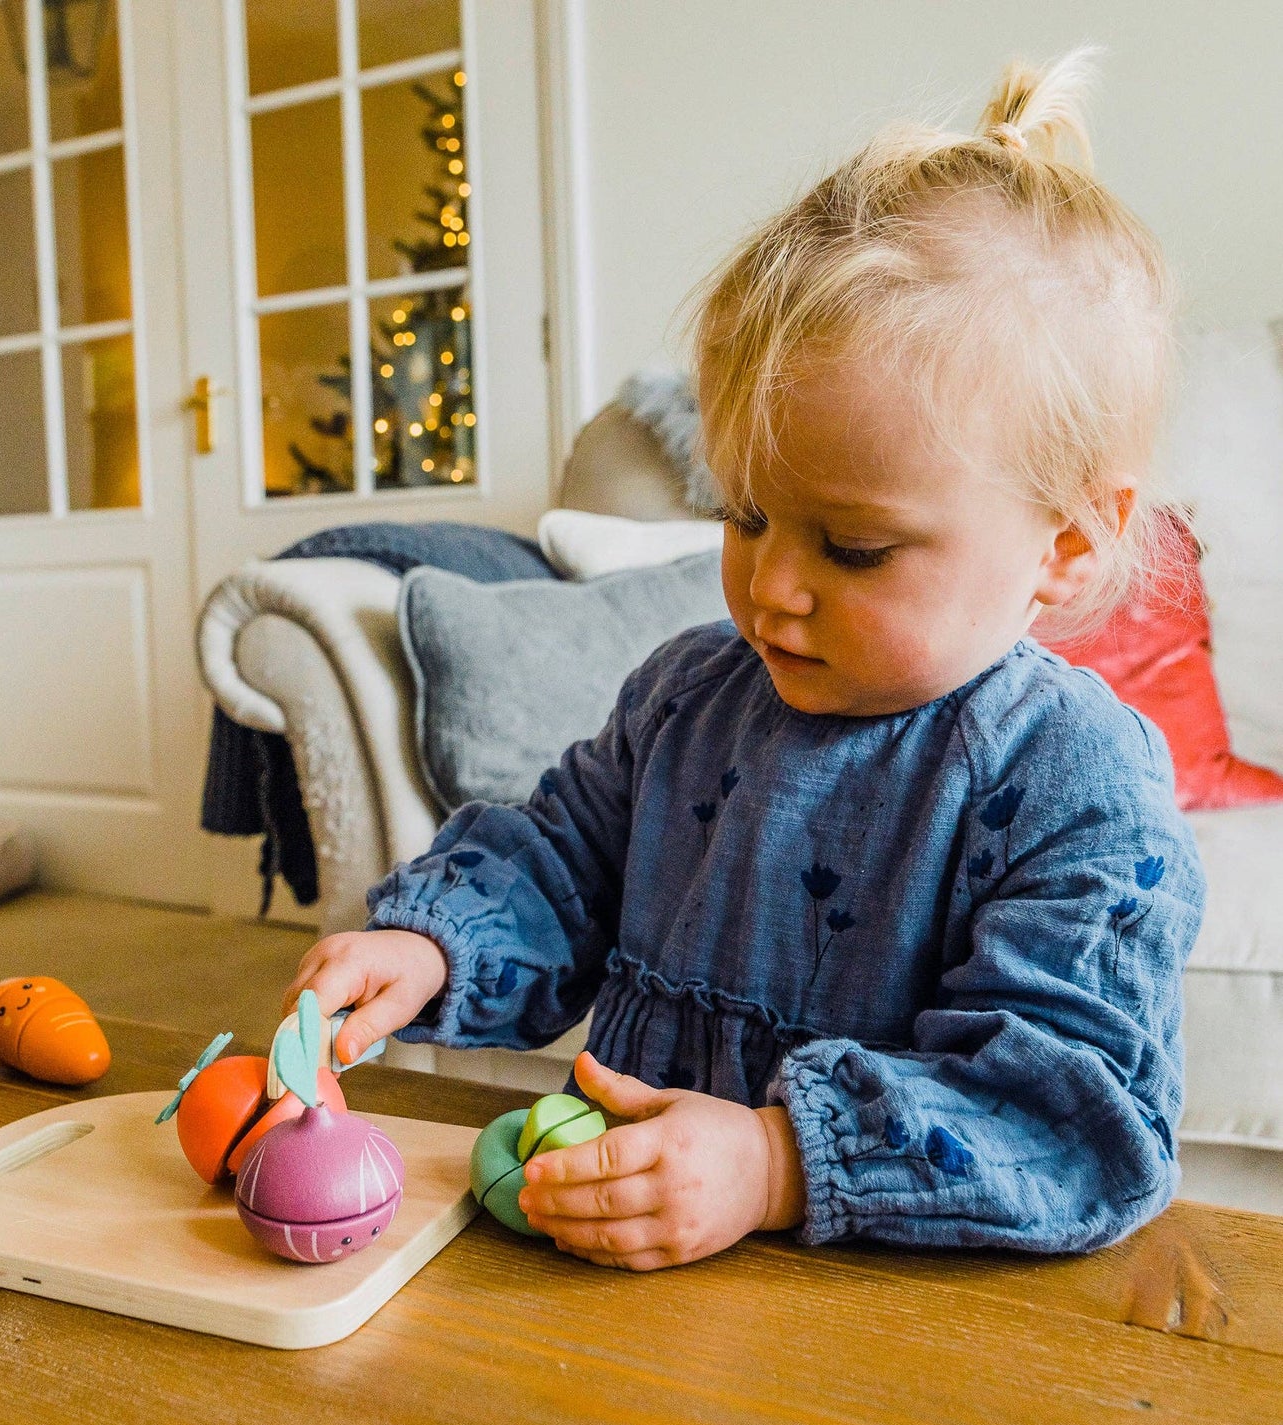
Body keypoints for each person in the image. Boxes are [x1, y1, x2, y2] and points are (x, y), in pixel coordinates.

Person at [284, 46, 1205, 1269]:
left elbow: (1073, 1119)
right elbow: (559, 866)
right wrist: (433, 943)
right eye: (743, 513)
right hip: (613, 1249)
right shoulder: (685, 695)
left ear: (1069, 542)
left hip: (873, 1314)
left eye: (855, 546)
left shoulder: (1075, 782)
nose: (768, 587)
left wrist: (775, 1159)